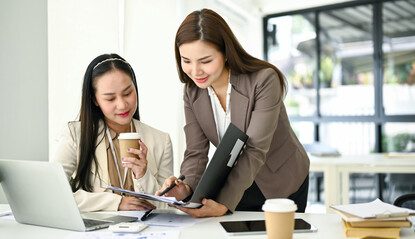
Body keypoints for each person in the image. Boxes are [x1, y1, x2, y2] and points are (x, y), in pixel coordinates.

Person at [156, 9, 310, 218]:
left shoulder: (264, 80)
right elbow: (195, 151)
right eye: (186, 60)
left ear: (226, 52)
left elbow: (254, 149)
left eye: (205, 61)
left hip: (281, 179)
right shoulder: (191, 92)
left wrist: (223, 203)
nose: (195, 71)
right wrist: (186, 187)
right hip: (235, 180)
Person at [53, 53, 173, 212]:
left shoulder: (161, 140)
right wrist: (116, 203)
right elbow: (53, 194)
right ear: (95, 100)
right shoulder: (75, 134)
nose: (122, 105)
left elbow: (166, 206)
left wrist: (143, 175)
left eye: (127, 93)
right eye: (110, 99)